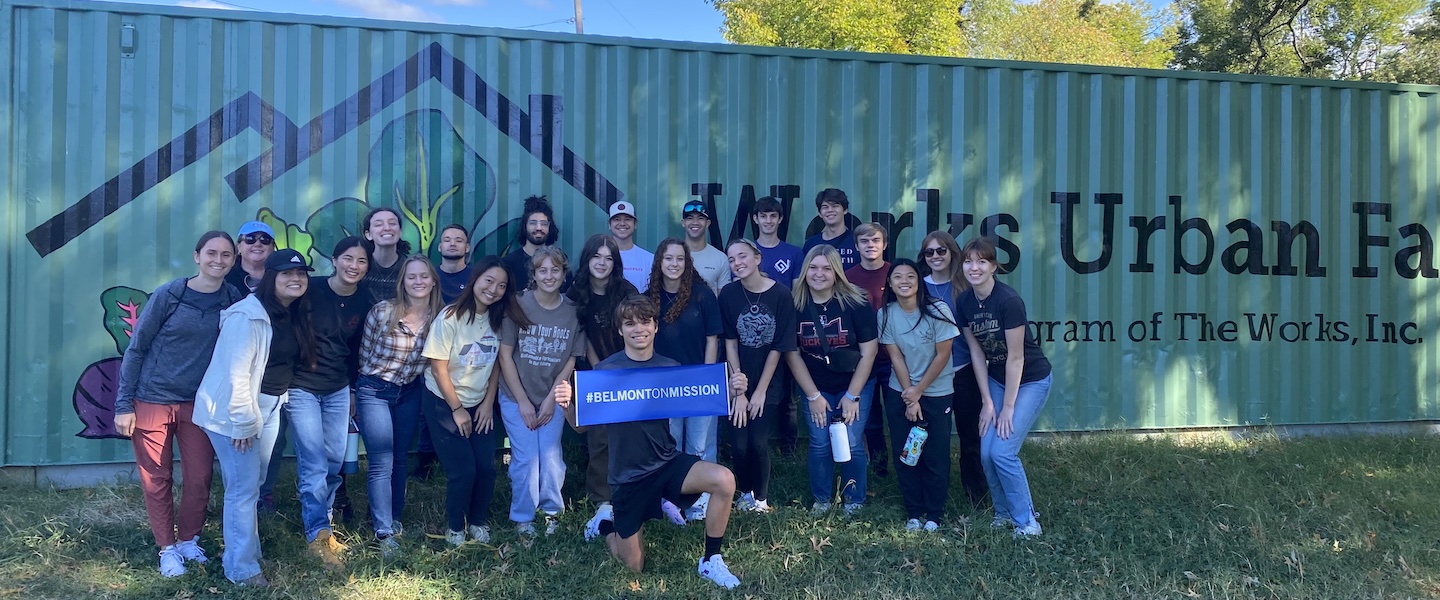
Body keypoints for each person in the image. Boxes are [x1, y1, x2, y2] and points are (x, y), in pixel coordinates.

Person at [553, 295, 749, 589]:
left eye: (645, 321)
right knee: (633, 567)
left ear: (656, 327)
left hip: (666, 463)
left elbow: (706, 397)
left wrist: (734, 391)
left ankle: (711, 560)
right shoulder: (605, 371)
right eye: (629, 323)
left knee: (724, 479)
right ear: (620, 331)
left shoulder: (670, 367)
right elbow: (580, 428)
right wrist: (567, 405)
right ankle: (605, 524)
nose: (638, 329)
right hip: (627, 476)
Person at [113, 231, 243, 577]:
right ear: (197, 256)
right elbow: (137, 348)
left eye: (226, 255)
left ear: (233, 261)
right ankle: (167, 550)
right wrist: (123, 405)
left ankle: (188, 539)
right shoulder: (171, 295)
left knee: (200, 477)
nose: (218, 260)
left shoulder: (233, 298)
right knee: (157, 476)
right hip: (152, 398)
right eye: (211, 253)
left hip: (199, 404)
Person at [192, 248, 316, 587]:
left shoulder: (291, 312)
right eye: (287, 274)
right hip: (236, 411)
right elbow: (237, 375)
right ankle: (241, 569)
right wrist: (244, 421)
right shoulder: (247, 316)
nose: (295, 279)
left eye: (301, 274)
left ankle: (246, 550)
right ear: (269, 277)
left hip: (270, 406)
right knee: (243, 490)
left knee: (254, 485)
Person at [423, 256, 528, 546]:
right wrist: (457, 409)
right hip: (444, 401)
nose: (493, 289)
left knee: (486, 467)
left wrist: (486, 404)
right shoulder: (450, 316)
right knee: (463, 469)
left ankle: (478, 522)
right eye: (489, 281)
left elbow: (495, 364)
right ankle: (456, 527)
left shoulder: (499, 319)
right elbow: (437, 366)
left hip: (480, 402)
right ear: (476, 279)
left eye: (501, 286)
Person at [956, 237, 1054, 538]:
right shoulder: (964, 302)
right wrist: (987, 402)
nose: (974, 267)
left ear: (993, 266)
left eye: (981, 261)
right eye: (969, 261)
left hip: (1030, 380)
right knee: (986, 453)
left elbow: (1016, 357)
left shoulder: (1008, 301)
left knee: (1003, 452)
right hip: (997, 381)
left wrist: (1007, 408)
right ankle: (1003, 514)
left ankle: (1027, 521)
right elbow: (976, 352)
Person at [289, 236, 373, 570]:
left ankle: (323, 521)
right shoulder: (310, 290)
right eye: (348, 258)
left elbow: (356, 351)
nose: (354, 266)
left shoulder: (365, 300)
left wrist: (352, 390)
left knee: (335, 461)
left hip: (338, 388)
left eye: (362, 261)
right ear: (335, 259)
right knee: (313, 463)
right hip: (302, 387)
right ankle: (317, 534)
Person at [354, 255, 443, 556]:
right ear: (402, 282)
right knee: (382, 461)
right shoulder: (383, 312)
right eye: (411, 277)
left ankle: (394, 519)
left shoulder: (440, 319)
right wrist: (362, 392)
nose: (418, 282)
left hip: (409, 391)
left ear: (433, 281)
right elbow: (364, 356)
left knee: (402, 458)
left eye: (424, 276)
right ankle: (382, 531)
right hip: (375, 390)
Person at [497, 247, 586, 537]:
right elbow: (505, 355)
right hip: (515, 396)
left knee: (549, 457)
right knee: (525, 458)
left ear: (564, 273)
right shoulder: (518, 304)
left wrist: (551, 400)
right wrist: (523, 401)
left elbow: (571, 359)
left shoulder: (572, 311)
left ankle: (551, 513)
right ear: (533, 274)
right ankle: (523, 517)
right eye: (542, 270)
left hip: (554, 396)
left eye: (555, 270)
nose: (549, 276)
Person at [784, 245, 879, 515]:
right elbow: (792, 354)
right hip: (815, 385)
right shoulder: (794, 304)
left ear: (837, 272)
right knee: (819, 441)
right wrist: (813, 396)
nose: (819, 274)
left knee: (850, 439)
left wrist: (852, 396)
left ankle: (854, 500)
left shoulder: (857, 302)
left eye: (826, 268)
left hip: (856, 381)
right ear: (804, 271)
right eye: (813, 268)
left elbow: (869, 351)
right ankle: (822, 499)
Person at [566, 234, 640, 539]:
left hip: (628, 372)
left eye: (609, 258)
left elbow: (638, 331)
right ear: (587, 260)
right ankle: (602, 500)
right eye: (597, 256)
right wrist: (600, 373)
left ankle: (634, 493)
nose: (602, 263)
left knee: (631, 437)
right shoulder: (575, 293)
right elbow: (578, 337)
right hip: (592, 375)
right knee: (600, 438)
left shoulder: (626, 291)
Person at [646, 238, 724, 521]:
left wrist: (708, 377)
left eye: (680, 259)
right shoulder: (649, 297)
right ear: (659, 263)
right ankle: (673, 501)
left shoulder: (703, 295)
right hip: (664, 385)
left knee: (700, 445)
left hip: (700, 380)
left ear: (687, 263)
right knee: (671, 444)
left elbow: (712, 339)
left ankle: (701, 502)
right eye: (668, 259)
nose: (674, 264)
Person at [878, 259, 959, 532]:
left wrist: (919, 391)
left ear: (919, 281)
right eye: (897, 277)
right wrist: (909, 397)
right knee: (906, 454)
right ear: (889, 283)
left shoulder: (939, 309)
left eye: (910, 276)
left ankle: (934, 514)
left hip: (936, 392)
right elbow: (895, 357)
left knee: (935, 455)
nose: (904, 281)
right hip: (899, 392)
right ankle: (914, 511)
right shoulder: (886, 313)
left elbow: (943, 353)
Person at [718, 238, 797, 513]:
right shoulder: (728, 294)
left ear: (757, 258)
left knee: (758, 442)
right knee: (739, 445)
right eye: (731, 259)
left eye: (742, 256)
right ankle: (745, 492)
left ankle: (761, 499)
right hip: (737, 377)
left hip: (769, 378)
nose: (737, 263)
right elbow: (729, 342)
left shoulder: (782, 295)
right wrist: (739, 390)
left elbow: (779, 346)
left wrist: (760, 390)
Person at [921, 231, 987, 507]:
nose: (936, 256)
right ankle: (930, 495)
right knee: (930, 438)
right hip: (929, 375)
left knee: (970, 436)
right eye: (929, 252)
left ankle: (977, 495)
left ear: (952, 253)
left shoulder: (965, 287)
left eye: (941, 251)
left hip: (963, 371)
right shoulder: (917, 285)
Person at [844, 223, 893, 477]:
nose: (870, 245)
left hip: (895, 358)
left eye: (875, 240)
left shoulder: (896, 273)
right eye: (864, 241)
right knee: (870, 420)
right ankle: (879, 469)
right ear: (856, 246)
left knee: (898, 416)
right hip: (864, 359)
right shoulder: (848, 277)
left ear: (884, 244)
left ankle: (909, 465)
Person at [502, 195, 562, 293]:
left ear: (549, 227)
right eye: (533, 223)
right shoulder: (508, 263)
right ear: (525, 226)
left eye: (543, 223)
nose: (539, 228)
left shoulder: (560, 260)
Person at [361, 207, 411, 303]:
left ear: (400, 232)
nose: (387, 228)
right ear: (368, 235)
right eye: (378, 224)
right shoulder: (359, 266)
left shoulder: (409, 267)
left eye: (392, 223)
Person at [680, 199, 730, 295]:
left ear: (708, 223)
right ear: (683, 223)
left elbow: (723, 299)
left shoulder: (720, 258)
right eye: (690, 218)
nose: (695, 222)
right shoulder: (673, 256)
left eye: (700, 218)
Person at [801, 188, 858, 270]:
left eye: (835, 206)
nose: (830, 210)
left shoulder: (857, 240)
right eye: (825, 207)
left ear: (845, 210)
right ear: (820, 213)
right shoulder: (811, 244)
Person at [752, 196, 803, 286]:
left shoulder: (795, 253)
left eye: (773, 216)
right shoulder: (747, 253)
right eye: (763, 216)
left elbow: (797, 292)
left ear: (780, 219)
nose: (768, 221)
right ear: (756, 219)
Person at [607, 201, 653, 291]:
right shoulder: (600, 259)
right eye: (617, 219)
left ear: (635, 224)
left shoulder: (650, 259)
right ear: (609, 225)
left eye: (627, 219)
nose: (622, 223)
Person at [226, 221, 275, 296]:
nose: (258, 244)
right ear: (239, 246)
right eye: (250, 238)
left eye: (264, 239)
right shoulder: (225, 276)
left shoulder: (282, 276)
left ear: (273, 247)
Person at [436, 224, 473, 304]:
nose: (452, 244)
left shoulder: (476, 276)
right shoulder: (430, 276)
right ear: (440, 247)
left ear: (467, 248)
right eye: (447, 240)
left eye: (459, 241)